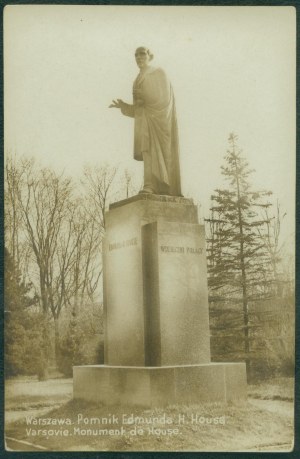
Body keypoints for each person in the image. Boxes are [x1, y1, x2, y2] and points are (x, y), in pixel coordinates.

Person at [109, 47, 182, 196]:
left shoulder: (158, 73)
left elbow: (164, 99)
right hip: (145, 122)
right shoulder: (137, 79)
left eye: (142, 54)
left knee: (156, 153)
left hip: (159, 123)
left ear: (150, 56)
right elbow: (139, 109)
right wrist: (125, 107)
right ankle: (150, 185)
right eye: (136, 55)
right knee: (147, 151)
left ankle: (156, 186)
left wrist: (145, 97)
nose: (138, 57)